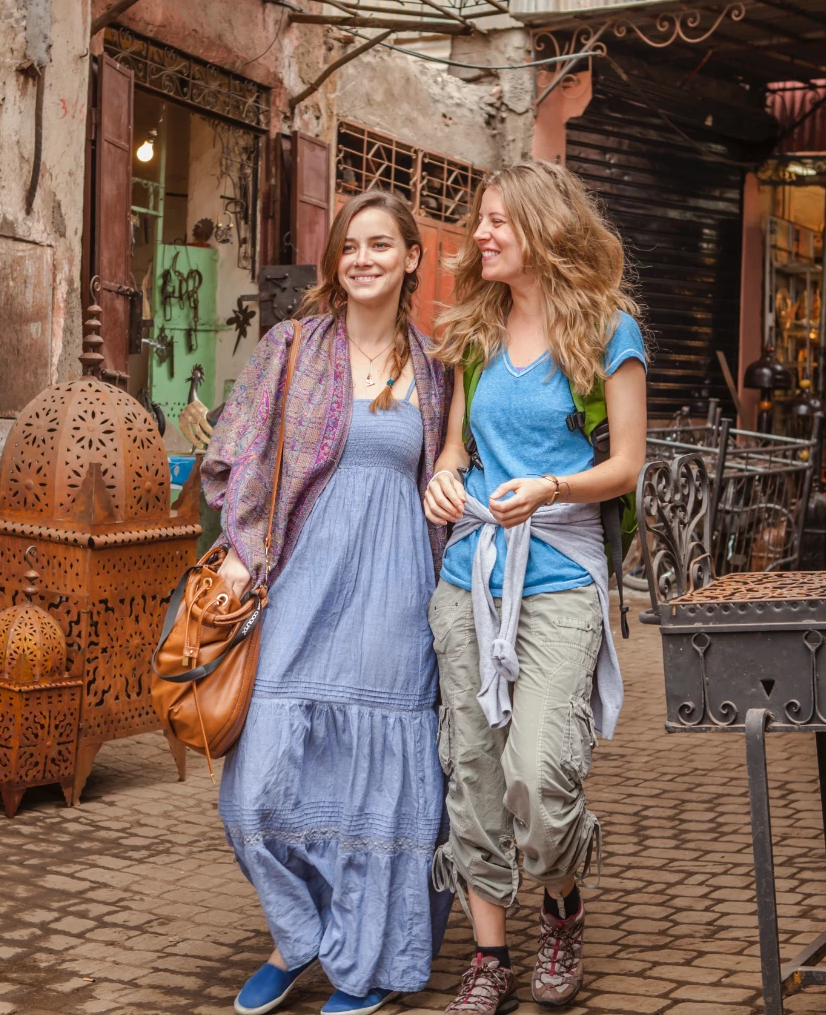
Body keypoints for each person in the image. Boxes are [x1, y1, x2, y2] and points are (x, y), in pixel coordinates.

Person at [202, 188, 452, 1015]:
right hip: (301, 581)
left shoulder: (437, 369)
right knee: (255, 790)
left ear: (412, 258)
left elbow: (450, 478)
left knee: (374, 786)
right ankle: (297, 936)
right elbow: (235, 450)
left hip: (394, 594)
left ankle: (362, 959)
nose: (363, 259)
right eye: (350, 246)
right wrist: (243, 556)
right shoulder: (291, 347)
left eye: (381, 245)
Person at [422, 160, 647, 1013]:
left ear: (544, 230)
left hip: (558, 575)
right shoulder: (475, 334)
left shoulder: (606, 330)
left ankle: (559, 906)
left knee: (541, 777)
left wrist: (551, 488)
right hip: (468, 573)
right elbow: (455, 449)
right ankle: (489, 958)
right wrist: (445, 479)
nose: (478, 235)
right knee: (472, 768)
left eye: (495, 222)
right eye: (480, 220)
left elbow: (625, 466)